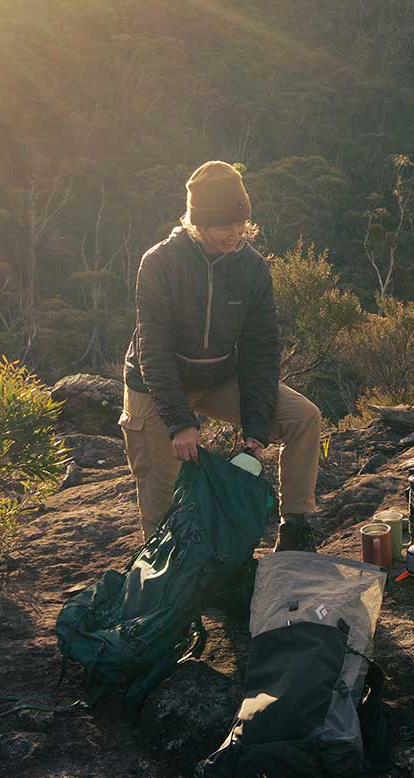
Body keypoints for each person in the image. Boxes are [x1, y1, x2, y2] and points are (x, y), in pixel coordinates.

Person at [121, 160, 325, 551]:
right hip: (156, 384)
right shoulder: (160, 263)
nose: (234, 235)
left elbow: (261, 352)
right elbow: (154, 350)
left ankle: (295, 528)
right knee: (163, 494)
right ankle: (164, 564)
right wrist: (180, 423)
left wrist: (255, 429)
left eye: (240, 225)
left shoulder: (252, 269)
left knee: (303, 418)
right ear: (196, 223)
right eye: (222, 227)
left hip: (217, 377)